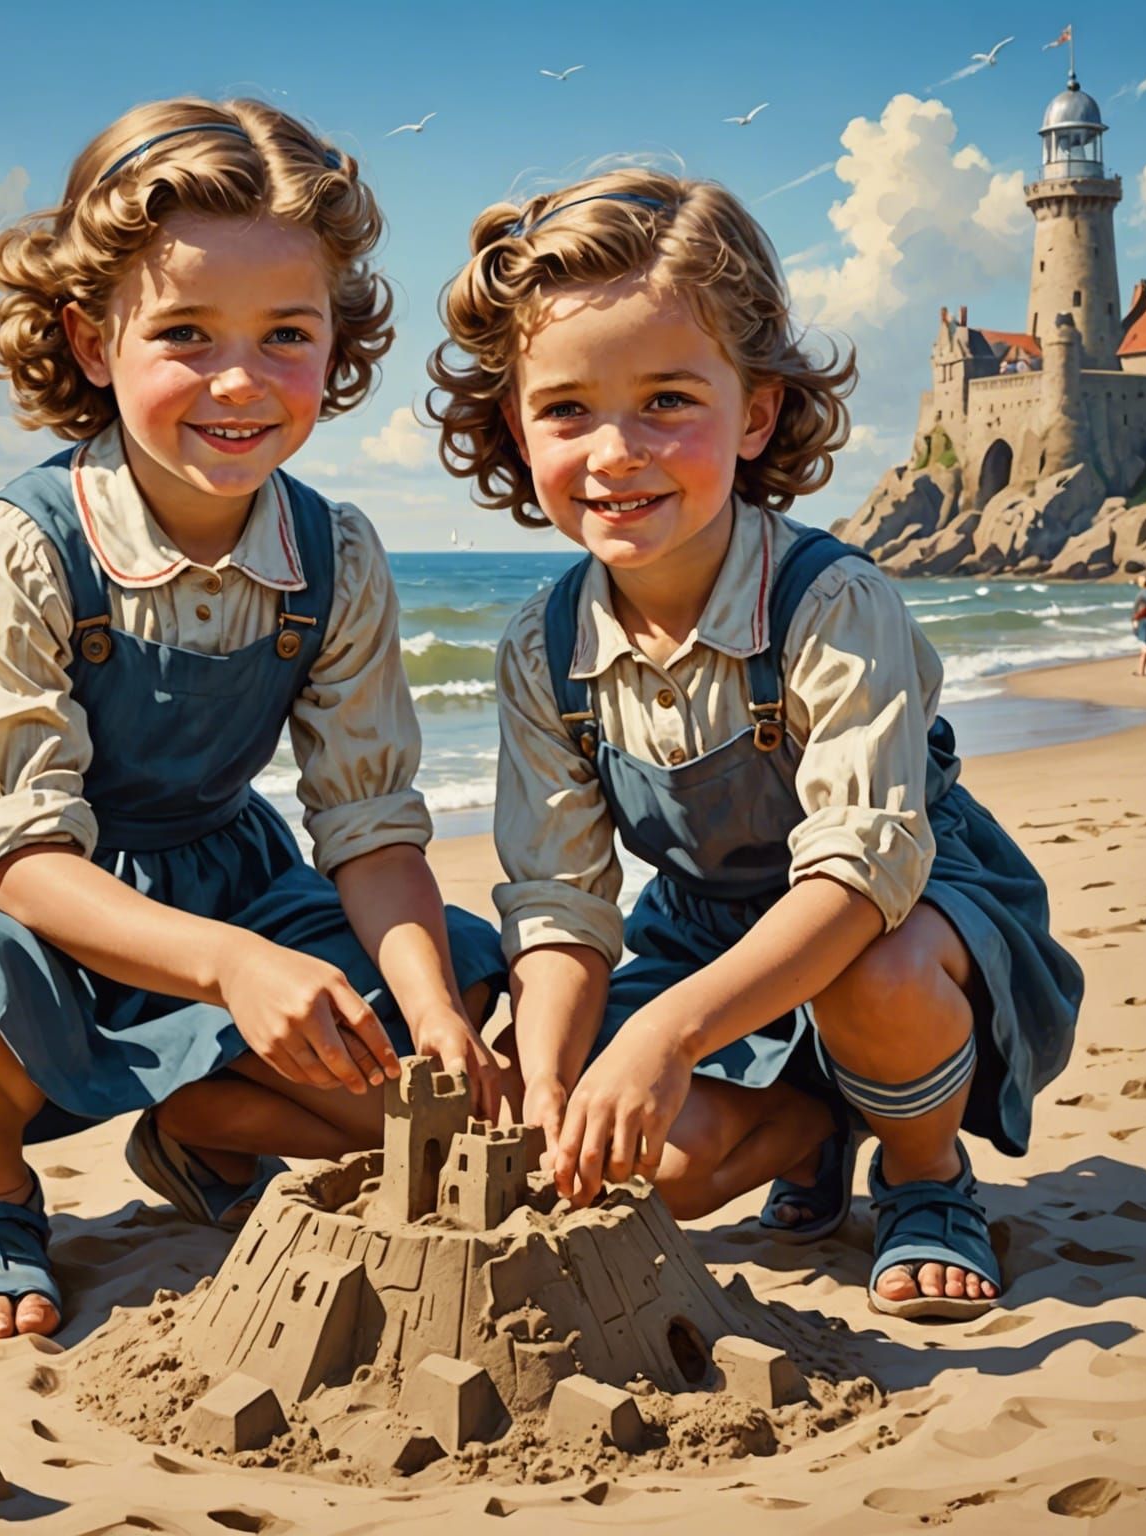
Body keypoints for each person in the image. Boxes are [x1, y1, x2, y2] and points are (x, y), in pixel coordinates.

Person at [0, 98, 506, 1341]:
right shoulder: (22, 546)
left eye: (286, 335)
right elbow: (32, 861)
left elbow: (367, 824)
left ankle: (203, 1130)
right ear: (93, 340)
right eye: (186, 333)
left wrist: (425, 1010)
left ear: (338, 345)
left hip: (214, 862)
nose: (239, 380)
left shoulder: (337, 554)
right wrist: (230, 966)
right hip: (7, 877)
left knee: (453, 1005)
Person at [428, 170, 1082, 1320]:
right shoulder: (543, 646)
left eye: (670, 400)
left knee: (873, 978)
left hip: (903, 917)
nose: (616, 450)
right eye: (568, 409)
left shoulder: (832, 602)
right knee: (631, 1162)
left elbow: (861, 871)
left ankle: (925, 1173)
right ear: (514, 424)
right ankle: (815, 1122)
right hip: (702, 937)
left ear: (760, 412)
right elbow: (561, 904)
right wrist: (545, 1081)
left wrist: (672, 1036)